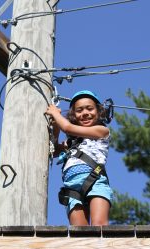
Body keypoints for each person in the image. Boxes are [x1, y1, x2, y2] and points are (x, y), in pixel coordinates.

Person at [45, 90, 113, 226]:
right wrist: (56, 126)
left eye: (90, 108)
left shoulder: (101, 131)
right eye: (79, 110)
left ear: (99, 112)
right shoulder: (71, 143)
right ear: (74, 115)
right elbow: (53, 151)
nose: (85, 113)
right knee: (79, 232)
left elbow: (68, 128)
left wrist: (55, 114)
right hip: (72, 189)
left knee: (99, 226)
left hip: (95, 182)